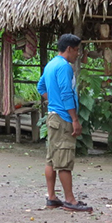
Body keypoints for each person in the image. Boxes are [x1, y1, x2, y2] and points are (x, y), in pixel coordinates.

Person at [37, 33, 92, 213]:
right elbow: (67, 94)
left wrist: (53, 101)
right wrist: (74, 119)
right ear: (69, 49)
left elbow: (41, 87)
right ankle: (70, 200)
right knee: (65, 159)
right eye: (76, 50)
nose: (77, 54)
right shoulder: (64, 67)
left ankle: (52, 197)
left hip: (52, 115)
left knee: (52, 158)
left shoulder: (51, 64)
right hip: (63, 118)